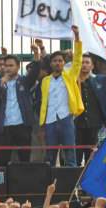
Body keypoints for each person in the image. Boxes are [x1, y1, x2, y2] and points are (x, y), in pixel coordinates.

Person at [0, 44, 41, 166]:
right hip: (4, 126)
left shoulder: (24, 81)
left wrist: (36, 56)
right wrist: (0, 85)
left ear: (18, 67)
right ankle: (2, 184)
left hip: (22, 125)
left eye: (11, 66)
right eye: (6, 66)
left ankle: (24, 182)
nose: (8, 68)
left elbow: (34, 73)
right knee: (3, 160)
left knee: (24, 158)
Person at [39, 25, 83, 167]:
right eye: (55, 61)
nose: (57, 63)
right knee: (50, 156)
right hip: (50, 120)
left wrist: (76, 36)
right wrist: (43, 126)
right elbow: (44, 102)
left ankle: (70, 187)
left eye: (60, 61)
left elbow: (77, 61)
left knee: (70, 154)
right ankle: (50, 186)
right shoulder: (46, 81)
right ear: (51, 63)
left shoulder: (70, 75)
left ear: (64, 63)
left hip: (66, 118)